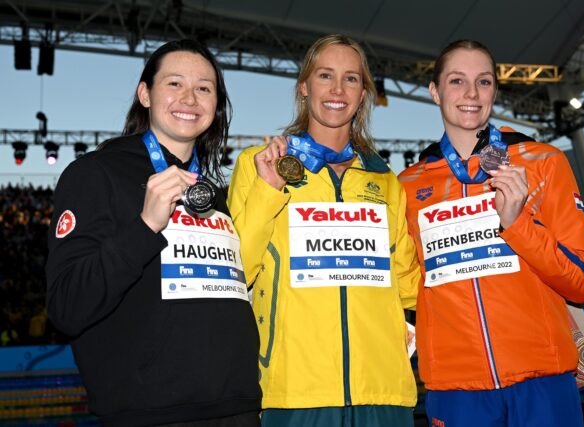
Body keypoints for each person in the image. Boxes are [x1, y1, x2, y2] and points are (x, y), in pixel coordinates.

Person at [46, 39, 261, 427]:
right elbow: (66, 307)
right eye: (174, 84)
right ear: (145, 94)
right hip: (151, 414)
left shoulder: (211, 192)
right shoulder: (95, 174)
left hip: (238, 407)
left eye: (204, 88)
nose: (190, 98)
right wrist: (144, 227)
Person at [399, 40, 584, 427]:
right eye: (457, 81)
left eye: (484, 82)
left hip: (543, 382)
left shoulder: (542, 161)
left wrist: (516, 224)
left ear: (495, 89)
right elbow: (407, 284)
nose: (471, 94)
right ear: (435, 91)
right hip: (456, 390)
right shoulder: (406, 186)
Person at [227, 34, 422, 427]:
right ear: (304, 86)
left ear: (363, 93)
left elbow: (409, 286)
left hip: (383, 391)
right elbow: (236, 271)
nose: (337, 89)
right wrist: (270, 190)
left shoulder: (385, 181)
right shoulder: (260, 164)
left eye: (351, 79)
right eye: (325, 75)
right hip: (293, 392)